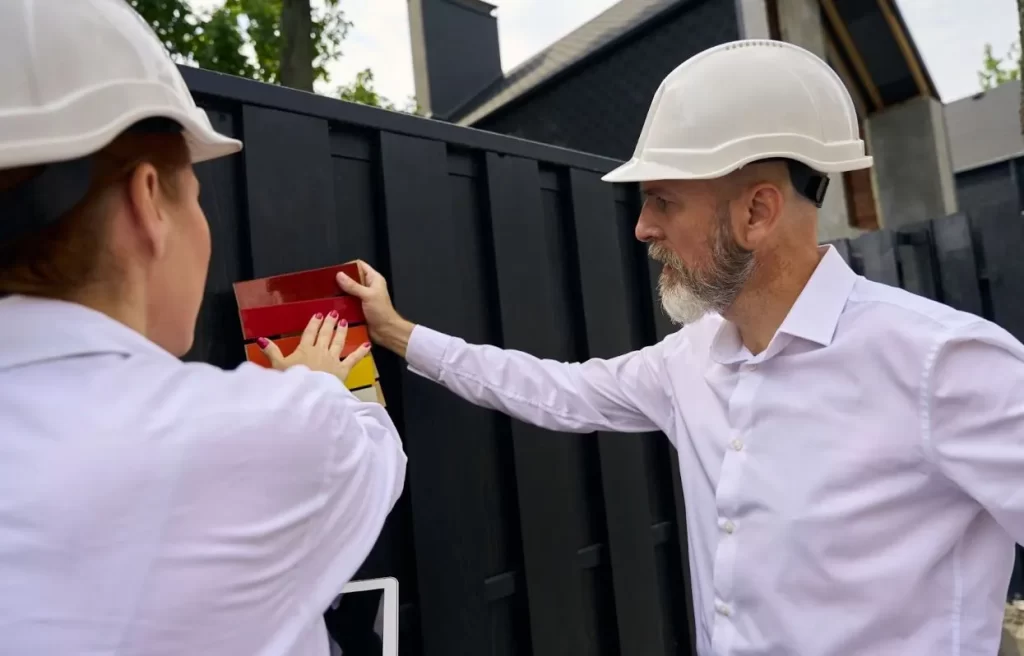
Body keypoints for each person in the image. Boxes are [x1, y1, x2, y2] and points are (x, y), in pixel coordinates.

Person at [337, 39, 1024, 655]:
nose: (641, 228)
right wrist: (396, 332)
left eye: (662, 200)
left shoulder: (942, 363)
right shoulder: (690, 361)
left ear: (757, 212)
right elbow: (556, 390)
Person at [0, 1, 406, 655]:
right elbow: (374, 461)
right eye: (198, 194)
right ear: (148, 200)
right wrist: (327, 386)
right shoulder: (287, 428)